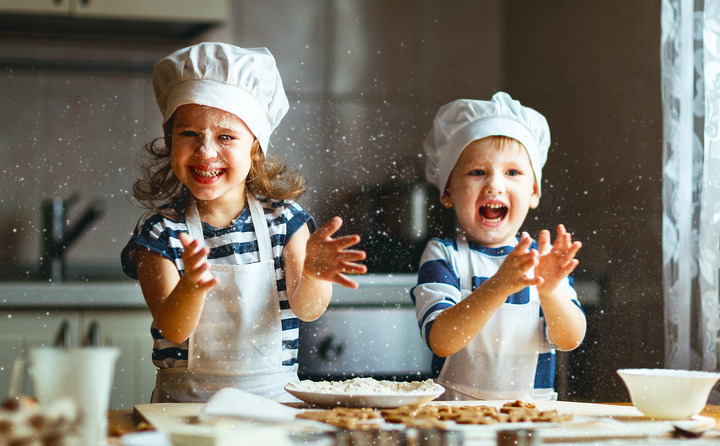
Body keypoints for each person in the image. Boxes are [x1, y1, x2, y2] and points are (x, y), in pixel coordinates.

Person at [121, 42, 367, 403]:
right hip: (186, 410)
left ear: (255, 148)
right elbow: (173, 329)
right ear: (169, 140)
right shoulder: (159, 233)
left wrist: (313, 274)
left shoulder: (285, 221)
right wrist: (191, 286)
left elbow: (307, 310)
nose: (205, 151)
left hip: (275, 406)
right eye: (188, 134)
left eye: (225, 136)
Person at [412, 92, 586, 401]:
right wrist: (499, 286)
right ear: (448, 190)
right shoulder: (444, 255)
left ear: (534, 191)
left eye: (513, 173)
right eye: (477, 172)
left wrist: (549, 290)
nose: (494, 184)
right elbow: (441, 339)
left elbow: (570, 338)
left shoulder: (542, 261)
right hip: (454, 421)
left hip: (531, 422)